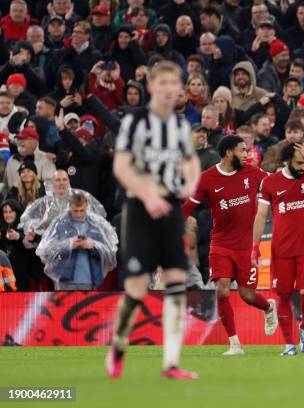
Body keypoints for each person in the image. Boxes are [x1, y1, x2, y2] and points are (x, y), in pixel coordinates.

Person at [107, 61, 201, 380]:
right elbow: (121, 167)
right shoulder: (135, 122)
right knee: (136, 289)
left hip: (172, 211)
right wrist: (147, 195)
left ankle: (171, 364)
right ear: (151, 87)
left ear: (179, 89)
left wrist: (189, 184)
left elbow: (191, 161)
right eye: (162, 82)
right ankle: (118, 343)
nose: (169, 88)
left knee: (177, 281)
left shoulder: (180, 126)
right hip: (140, 210)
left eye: (174, 83)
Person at [182, 135, 278, 355]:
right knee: (222, 289)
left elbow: (276, 182)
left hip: (246, 246)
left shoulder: (253, 173)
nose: (247, 154)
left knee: (248, 295)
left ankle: (268, 307)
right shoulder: (207, 178)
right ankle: (235, 344)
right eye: (242, 150)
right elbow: (187, 207)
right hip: (221, 244)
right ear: (228, 153)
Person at [252, 142, 304, 356]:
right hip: (281, 251)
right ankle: (289, 344)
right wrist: (255, 246)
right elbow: (260, 215)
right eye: (298, 162)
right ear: (287, 160)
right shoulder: (270, 182)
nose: (302, 166)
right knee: (283, 297)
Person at [36, 192, 117, 291]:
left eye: (82, 210)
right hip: (65, 280)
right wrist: (67, 245)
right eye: (75, 211)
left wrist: (93, 245)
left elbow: (110, 250)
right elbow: (45, 250)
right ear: (69, 206)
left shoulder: (97, 224)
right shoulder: (59, 224)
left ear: (87, 205)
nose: (79, 214)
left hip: (91, 279)